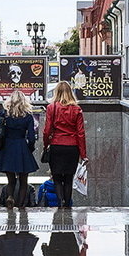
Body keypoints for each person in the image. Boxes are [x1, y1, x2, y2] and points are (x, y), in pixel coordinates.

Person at [0, 90, 39, 208]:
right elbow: (31, 137)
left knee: (10, 179)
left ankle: (10, 196)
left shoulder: (4, 114)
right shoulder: (28, 116)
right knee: (23, 181)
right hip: (21, 147)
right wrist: (29, 150)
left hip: (7, 147)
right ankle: (20, 206)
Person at [42, 81, 87, 209]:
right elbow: (81, 133)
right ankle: (67, 205)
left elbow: (47, 130)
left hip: (56, 146)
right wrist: (83, 155)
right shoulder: (77, 109)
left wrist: (46, 145)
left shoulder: (52, 107)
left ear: (56, 92)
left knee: (57, 178)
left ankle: (60, 203)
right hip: (72, 148)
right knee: (68, 179)